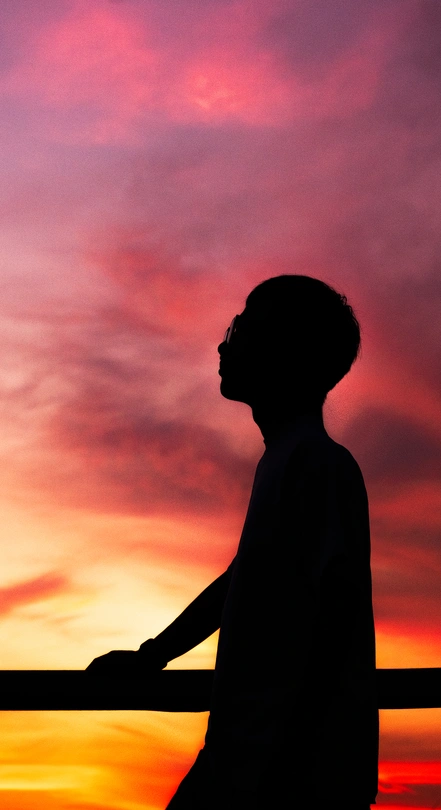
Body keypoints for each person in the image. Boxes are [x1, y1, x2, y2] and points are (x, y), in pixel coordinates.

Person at [87, 275, 379, 809]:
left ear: (286, 354)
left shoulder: (316, 464)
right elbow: (238, 582)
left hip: (280, 771)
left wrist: (289, 758)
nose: (224, 345)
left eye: (242, 330)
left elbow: (336, 612)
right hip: (253, 757)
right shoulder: (289, 461)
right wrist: (153, 656)